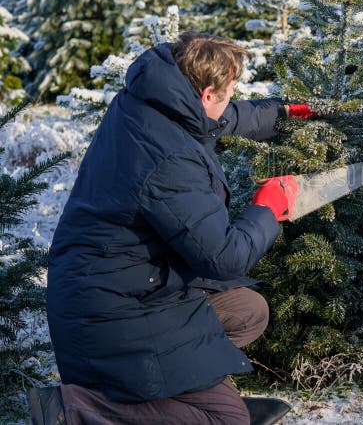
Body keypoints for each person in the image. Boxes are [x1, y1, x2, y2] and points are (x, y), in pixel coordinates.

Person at [30, 33, 314, 424]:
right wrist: (268, 208)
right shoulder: (168, 157)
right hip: (112, 311)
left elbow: (227, 118)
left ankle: (180, 396)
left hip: (133, 284)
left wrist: (283, 114)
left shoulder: (155, 100)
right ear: (206, 93)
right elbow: (224, 257)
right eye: (229, 91)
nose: (231, 99)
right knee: (228, 421)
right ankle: (81, 408)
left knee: (249, 311)